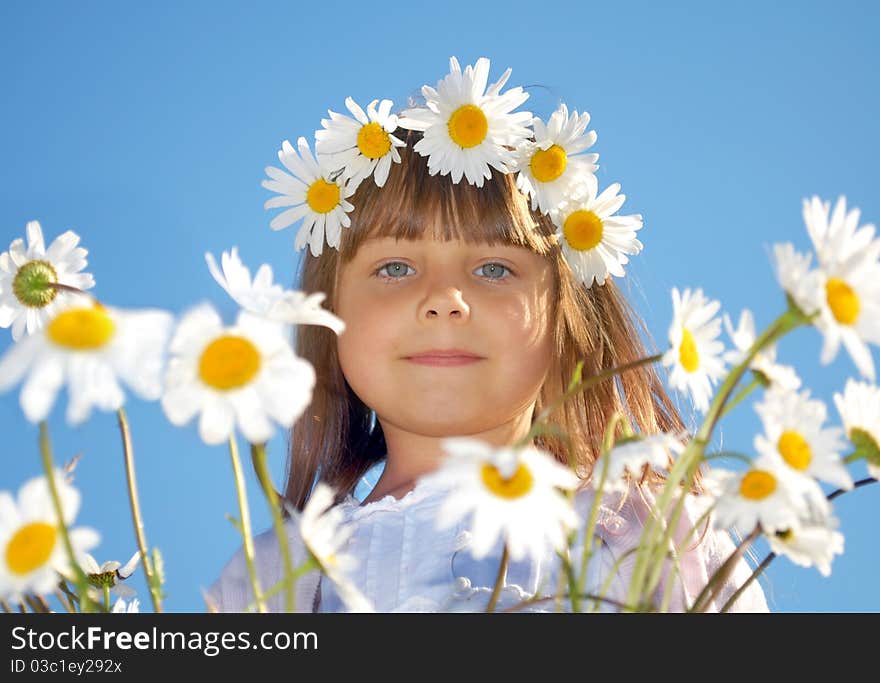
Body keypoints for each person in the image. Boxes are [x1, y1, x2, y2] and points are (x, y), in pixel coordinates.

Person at [205, 58, 770, 613]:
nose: (445, 301)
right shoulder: (270, 583)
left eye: (494, 269)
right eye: (395, 268)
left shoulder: (656, 535)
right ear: (329, 317)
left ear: (568, 320)